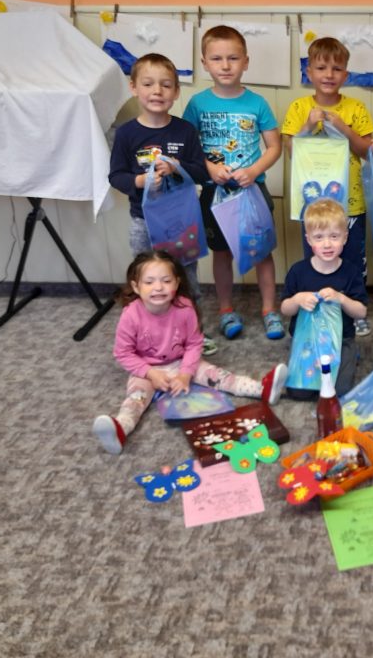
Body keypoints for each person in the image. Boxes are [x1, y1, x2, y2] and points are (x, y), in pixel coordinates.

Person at [92, 251, 287, 455]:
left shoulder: (185, 308)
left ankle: (261, 389)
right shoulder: (131, 314)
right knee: (135, 399)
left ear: (176, 283)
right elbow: (123, 353)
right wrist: (150, 373)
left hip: (182, 361)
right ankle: (120, 429)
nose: (158, 287)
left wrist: (185, 373)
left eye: (166, 280)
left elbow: (194, 344)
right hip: (146, 369)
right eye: (149, 282)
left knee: (219, 376)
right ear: (135, 287)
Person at [107, 53, 216, 356]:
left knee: (187, 281)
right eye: (148, 84)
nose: (157, 91)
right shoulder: (126, 133)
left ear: (176, 92)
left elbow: (201, 171)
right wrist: (141, 181)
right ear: (133, 87)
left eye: (166, 85)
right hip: (143, 222)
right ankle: (149, 337)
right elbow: (116, 176)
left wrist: (177, 167)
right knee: (149, 281)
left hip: (181, 222)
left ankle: (195, 334)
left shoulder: (185, 131)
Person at [183, 25, 283, 342]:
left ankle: (269, 310)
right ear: (204, 63)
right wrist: (209, 167)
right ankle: (226, 309)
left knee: (262, 252)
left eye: (233, 58)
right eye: (216, 59)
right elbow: (187, 147)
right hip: (214, 193)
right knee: (222, 253)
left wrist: (253, 171)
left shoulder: (257, 103)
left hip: (252, 191)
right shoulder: (197, 104)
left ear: (246, 62)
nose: (225, 66)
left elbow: (275, 147)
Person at [281, 36, 373, 337]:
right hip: (312, 203)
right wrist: (308, 127)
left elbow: (366, 152)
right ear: (308, 72)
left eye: (337, 69)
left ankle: (355, 309)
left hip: (350, 202)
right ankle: (316, 307)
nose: (329, 74)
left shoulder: (356, 108)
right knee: (318, 256)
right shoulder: (299, 107)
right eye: (321, 68)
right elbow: (291, 149)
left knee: (351, 258)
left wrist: (343, 128)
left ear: (346, 75)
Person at [279, 199, 367, 399]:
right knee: (298, 393)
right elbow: (285, 308)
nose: (327, 244)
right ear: (309, 240)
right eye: (319, 237)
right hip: (307, 341)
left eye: (334, 236)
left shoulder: (351, 272)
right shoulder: (298, 271)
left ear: (345, 237)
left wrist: (341, 298)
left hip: (341, 340)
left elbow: (361, 312)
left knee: (339, 391)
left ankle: (350, 355)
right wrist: (297, 299)